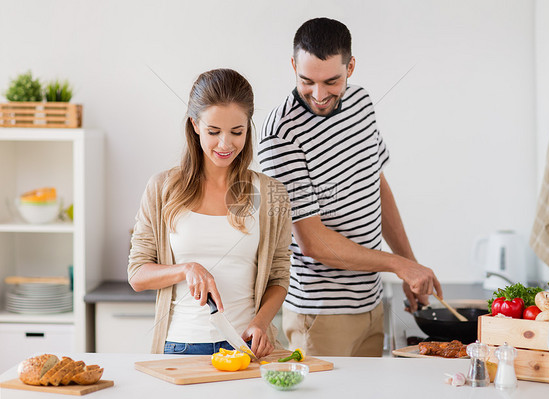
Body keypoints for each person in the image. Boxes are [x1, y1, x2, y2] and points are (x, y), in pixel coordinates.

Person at [258, 17, 443, 357]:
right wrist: (398, 265)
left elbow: (377, 184)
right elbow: (312, 242)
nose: (319, 95)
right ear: (292, 65)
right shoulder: (280, 134)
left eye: (332, 81)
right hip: (320, 315)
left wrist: (409, 264)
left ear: (351, 66)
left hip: (371, 304)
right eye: (306, 81)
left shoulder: (361, 103)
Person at [128, 69, 292, 358]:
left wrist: (260, 323)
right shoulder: (162, 188)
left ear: (248, 128)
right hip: (180, 347)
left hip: (245, 348)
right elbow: (137, 274)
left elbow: (279, 277)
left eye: (237, 132)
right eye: (213, 132)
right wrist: (186, 268)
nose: (225, 144)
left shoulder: (269, 193)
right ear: (195, 125)